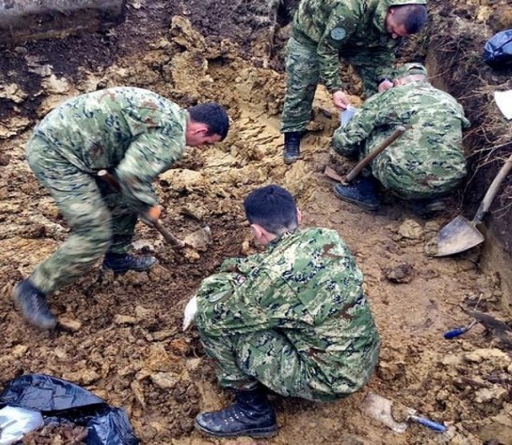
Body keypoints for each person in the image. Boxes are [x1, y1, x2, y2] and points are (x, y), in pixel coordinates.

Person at [14, 87, 229, 330]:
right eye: (206, 143)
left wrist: (139, 200)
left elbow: (128, 173)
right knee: (94, 233)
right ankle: (33, 288)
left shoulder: (167, 110)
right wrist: (149, 207)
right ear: (200, 130)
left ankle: (116, 257)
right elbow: (132, 175)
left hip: (75, 143)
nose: (201, 148)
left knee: (123, 199)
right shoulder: (171, 136)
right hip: (57, 155)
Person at [183, 184, 380, 438]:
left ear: (256, 231)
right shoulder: (328, 237)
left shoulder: (272, 279)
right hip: (365, 356)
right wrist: (236, 268)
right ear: (299, 215)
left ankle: (253, 412)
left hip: (331, 381)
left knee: (213, 323)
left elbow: (217, 311)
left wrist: (206, 291)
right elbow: (272, 264)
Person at [281, 0, 429, 164]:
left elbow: (385, 52)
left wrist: (383, 78)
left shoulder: (400, 21)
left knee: (383, 87)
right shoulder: (351, 8)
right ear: (391, 11)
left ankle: (372, 136)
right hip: (313, 34)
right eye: (393, 30)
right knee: (302, 81)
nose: (394, 36)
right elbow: (328, 48)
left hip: (360, 41)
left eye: (399, 35)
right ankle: (293, 133)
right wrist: (335, 89)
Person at [331, 63, 471, 213]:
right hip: (450, 181)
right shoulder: (449, 99)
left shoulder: (392, 96)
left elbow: (346, 138)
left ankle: (366, 190)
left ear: (397, 82)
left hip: (402, 180)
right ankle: (429, 200)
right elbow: (464, 128)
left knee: (371, 130)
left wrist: (345, 150)